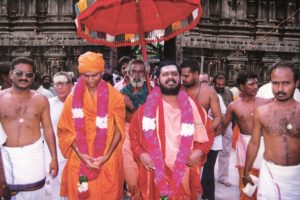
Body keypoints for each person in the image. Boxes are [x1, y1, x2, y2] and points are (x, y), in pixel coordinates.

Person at [129, 60, 208, 199]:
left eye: (174, 74)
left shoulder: (194, 106)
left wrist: (200, 151)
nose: (170, 77)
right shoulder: (146, 109)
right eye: (165, 74)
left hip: (184, 169)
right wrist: (141, 154)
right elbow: (134, 135)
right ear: (157, 80)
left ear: (179, 78)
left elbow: (209, 132)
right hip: (156, 170)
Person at [57, 51, 125, 200]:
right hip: (81, 158)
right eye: (86, 75)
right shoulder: (72, 98)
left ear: (102, 72)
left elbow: (119, 129)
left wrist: (105, 157)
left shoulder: (115, 96)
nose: (91, 79)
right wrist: (81, 155)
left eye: (95, 75)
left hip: (107, 158)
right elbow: (65, 131)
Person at [0, 57, 58, 199]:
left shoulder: (41, 99)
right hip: (8, 158)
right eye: (19, 74)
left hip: (34, 157)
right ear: (11, 74)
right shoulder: (0, 98)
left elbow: (48, 129)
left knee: (35, 193)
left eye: (28, 75)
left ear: (33, 78)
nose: (24, 77)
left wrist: (54, 158)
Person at [243, 61, 300, 199]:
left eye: (286, 83)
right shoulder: (262, 112)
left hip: (297, 176)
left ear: (296, 83)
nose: (279, 88)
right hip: (270, 174)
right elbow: (254, 143)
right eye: (275, 83)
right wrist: (246, 172)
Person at [222, 71, 271, 200]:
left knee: (263, 187)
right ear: (242, 87)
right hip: (244, 148)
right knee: (246, 188)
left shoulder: (266, 102)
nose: (256, 86)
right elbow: (222, 127)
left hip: (264, 147)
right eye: (251, 84)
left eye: (256, 83)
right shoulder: (233, 106)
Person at [180, 60, 222, 200]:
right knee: (188, 174)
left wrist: (204, 130)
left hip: (207, 138)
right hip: (185, 139)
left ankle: (208, 197)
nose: (183, 79)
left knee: (207, 174)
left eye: (187, 76)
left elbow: (218, 117)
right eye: (182, 76)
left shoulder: (209, 92)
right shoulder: (178, 90)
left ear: (196, 74)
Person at [120, 59, 148, 198]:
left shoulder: (152, 92)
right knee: (131, 176)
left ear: (145, 73)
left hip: (147, 136)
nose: (137, 74)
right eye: (134, 71)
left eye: (140, 71)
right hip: (127, 134)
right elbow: (123, 117)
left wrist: (132, 107)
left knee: (146, 176)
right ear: (128, 73)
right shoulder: (121, 93)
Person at [44, 72, 73, 200]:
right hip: (53, 152)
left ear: (71, 85)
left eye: (62, 83)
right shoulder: (48, 104)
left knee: (76, 185)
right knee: (53, 187)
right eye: (56, 84)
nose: (59, 87)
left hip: (74, 152)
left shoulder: (80, 103)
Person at [213, 72, 234, 187]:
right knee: (209, 152)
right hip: (214, 126)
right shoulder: (210, 92)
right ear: (214, 83)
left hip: (227, 125)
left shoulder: (229, 92)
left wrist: (230, 125)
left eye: (223, 84)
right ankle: (206, 177)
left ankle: (223, 177)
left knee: (225, 152)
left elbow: (232, 109)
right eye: (218, 84)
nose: (221, 86)